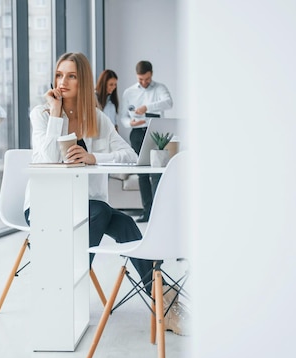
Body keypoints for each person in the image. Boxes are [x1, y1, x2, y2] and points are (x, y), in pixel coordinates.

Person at [23, 52, 187, 335]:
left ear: (83, 80)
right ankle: (64, 287)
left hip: (88, 207)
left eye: (71, 75)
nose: (63, 81)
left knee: (125, 223)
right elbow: (44, 159)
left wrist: (93, 158)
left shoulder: (96, 118)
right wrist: (57, 114)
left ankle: (166, 305)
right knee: (100, 212)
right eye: (59, 75)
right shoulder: (42, 114)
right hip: (47, 206)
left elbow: (129, 154)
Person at [120, 60, 173, 222]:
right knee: (142, 172)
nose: (144, 82)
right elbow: (123, 117)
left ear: (151, 74)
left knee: (156, 172)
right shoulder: (129, 92)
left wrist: (146, 107)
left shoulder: (160, 88)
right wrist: (130, 123)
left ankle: (160, 212)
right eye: (141, 79)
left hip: (157, 133)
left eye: (147, 79)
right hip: (137, 133)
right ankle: (147, 212)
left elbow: (169, 103)